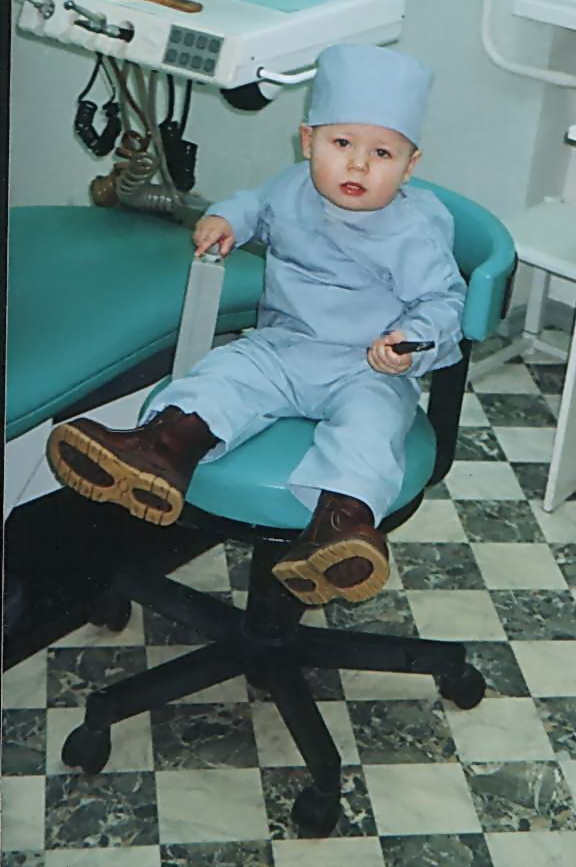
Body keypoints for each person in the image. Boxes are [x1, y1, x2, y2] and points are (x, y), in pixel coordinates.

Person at [46, 44, 466, 606]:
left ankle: (339, 528)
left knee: (370, 429)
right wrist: (226, 219)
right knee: (225, 375)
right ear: (308, 141)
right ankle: (162, 450)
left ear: (410, 166)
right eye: (342, 144)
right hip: (283, 347)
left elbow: (443, 302)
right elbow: (253, 206)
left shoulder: (416, 231)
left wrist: (408, 345)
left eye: (382, 153)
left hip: (367, 367)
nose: (358, 165)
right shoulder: (290, 188)